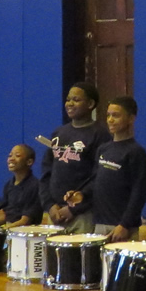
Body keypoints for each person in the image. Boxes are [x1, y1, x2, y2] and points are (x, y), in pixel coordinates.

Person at [64, 96, 146, 242]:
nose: (110, 120)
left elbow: (139, 193)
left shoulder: (136, 152)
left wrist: (125, 224)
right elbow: (96, 181)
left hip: (121, 227)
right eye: (108, 115)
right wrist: (81, 194)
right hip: (99, 223)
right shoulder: (104, 149)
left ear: (131, 118)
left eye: (116, 116)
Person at [39, 82, 111, 234]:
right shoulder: (58, 133)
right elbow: (46, 173)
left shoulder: (100, 134)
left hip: (83, 215)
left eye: (76, 100)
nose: (70, 104)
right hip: (55, 213)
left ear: (90, 104)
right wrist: (50, 206)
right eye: (68, 99)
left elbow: (100, 177)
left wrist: (75, 208)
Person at [0, 144, 42, 228]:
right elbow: (7, 217)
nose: (11, 159)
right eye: (10, 155)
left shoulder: (35, 186)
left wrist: (4, 230)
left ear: (29, 162)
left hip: (25, 235)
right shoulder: (8, 185)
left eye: (17, 156)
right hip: (10, 230)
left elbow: (25, 221)